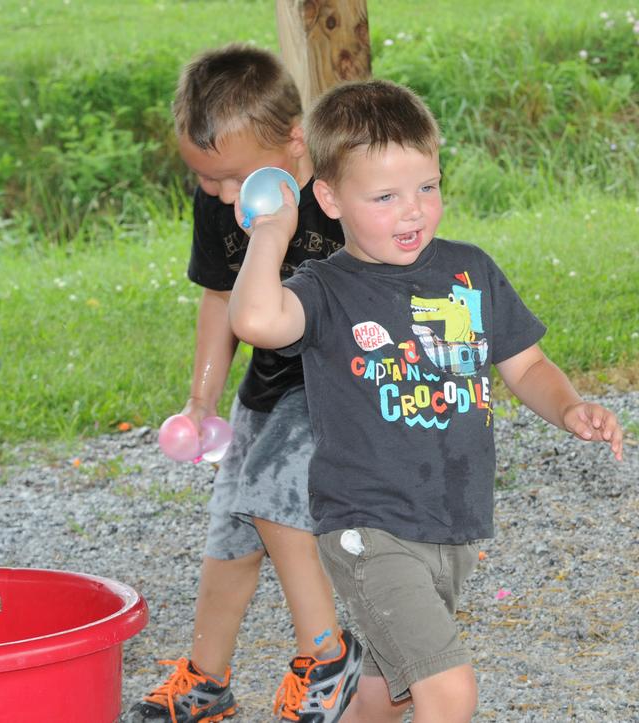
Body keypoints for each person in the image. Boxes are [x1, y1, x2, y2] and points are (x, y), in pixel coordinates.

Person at [228, 78, 624, 723]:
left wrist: (569, 405)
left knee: (390, 689)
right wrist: (272, 232)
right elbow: (256, 321)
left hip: (452, 523)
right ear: (328, 199)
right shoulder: (326, 289)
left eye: (427, 188)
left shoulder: (469, 271)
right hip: (368, 527)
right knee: (448, 690)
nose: (412, 211)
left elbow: (526, 365)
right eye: (385, 197)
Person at [126, 45, 362, 723]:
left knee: (272, 496)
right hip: (268, 383)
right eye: (205, 180)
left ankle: (328, 656)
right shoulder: (219, 198)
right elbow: (218, 299)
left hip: (333, 379)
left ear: (294, 142)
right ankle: (206, 678)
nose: (223, 195)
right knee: (231, 527)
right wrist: (203, 400)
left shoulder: (338, 191)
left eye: (232, 179)